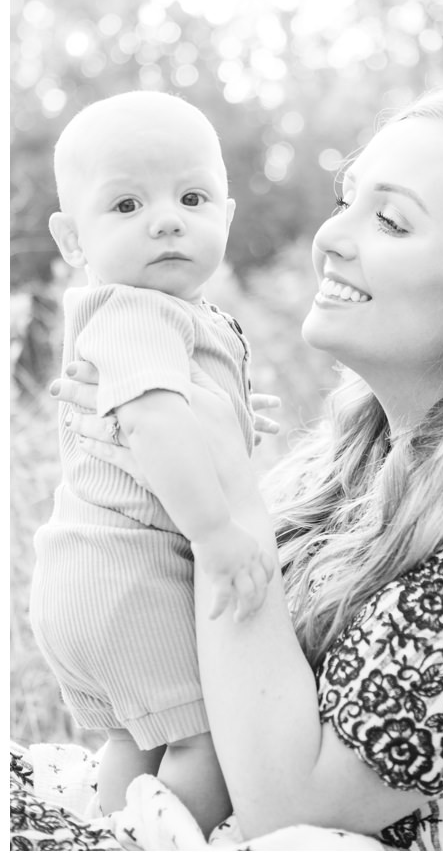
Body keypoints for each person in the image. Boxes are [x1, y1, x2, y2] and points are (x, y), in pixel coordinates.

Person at [12, 85, 443, 850]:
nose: (331, 239)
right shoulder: (345, 467)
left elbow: (292, 810)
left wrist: (226, 504)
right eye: (345, 201)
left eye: (388, 220)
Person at [31, 90, 274, 832]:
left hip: (84, 575)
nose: (166, 218)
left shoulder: (165, 318)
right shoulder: (136, 310)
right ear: (74, 241)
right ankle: (158, 844)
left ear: (224, 217)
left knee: (135, 739)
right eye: (128, 205)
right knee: (204, 743)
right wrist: (214, 532)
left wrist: (232, 424)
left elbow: (182, 414)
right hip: (133, 574)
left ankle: (106, 834)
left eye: (192, 197)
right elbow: (154, 423)